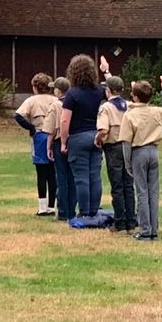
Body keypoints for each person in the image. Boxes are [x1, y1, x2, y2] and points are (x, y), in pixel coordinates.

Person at [120, 76, 162, 241]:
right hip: (154, 151)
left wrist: (127, 163)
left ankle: (145, 230)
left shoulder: (130, 115)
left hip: (139, 152)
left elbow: (126, 142)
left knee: (142, 192)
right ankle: (154, 229)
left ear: (135, 97)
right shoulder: (156, 111)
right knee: (153, 192)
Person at [59, 53, 109, 220]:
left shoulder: (72, 94)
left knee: (81, 178)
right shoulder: (99, 91)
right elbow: (114, 90)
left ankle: (84, 212)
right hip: (96, 136)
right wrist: (106, 71)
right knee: (95, 176)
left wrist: (64, 142)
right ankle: (94, 211)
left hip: (78, 137)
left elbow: (65, 120)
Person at [14, 72, 58, 216]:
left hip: (39, 135)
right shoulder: (55, 99)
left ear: (35, 87)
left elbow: (18, 115)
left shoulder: (31, 101)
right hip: (55, 136)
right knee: (53, 173)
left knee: (41, 173)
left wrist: (30, 128)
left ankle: (42, 207)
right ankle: (52, 206)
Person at [95, 74, 136, 232]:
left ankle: (119, 222)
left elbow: (104, 130)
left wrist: (98, 139)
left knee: (117, 185)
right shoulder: (129, 105)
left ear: (108, 90)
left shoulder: (106, 107)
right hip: (128, 146)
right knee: (128, 185)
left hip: (113, 147)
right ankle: (131, 220)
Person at [46, 77, 75, 222]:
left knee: (61, 177)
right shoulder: (74, 102)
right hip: (74, 141)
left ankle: (63, 212)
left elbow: (51, 129)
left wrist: (48, 146)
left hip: (59, 142)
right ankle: (72, 210)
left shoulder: (56, 105)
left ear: (58, 90)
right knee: (73, 177)